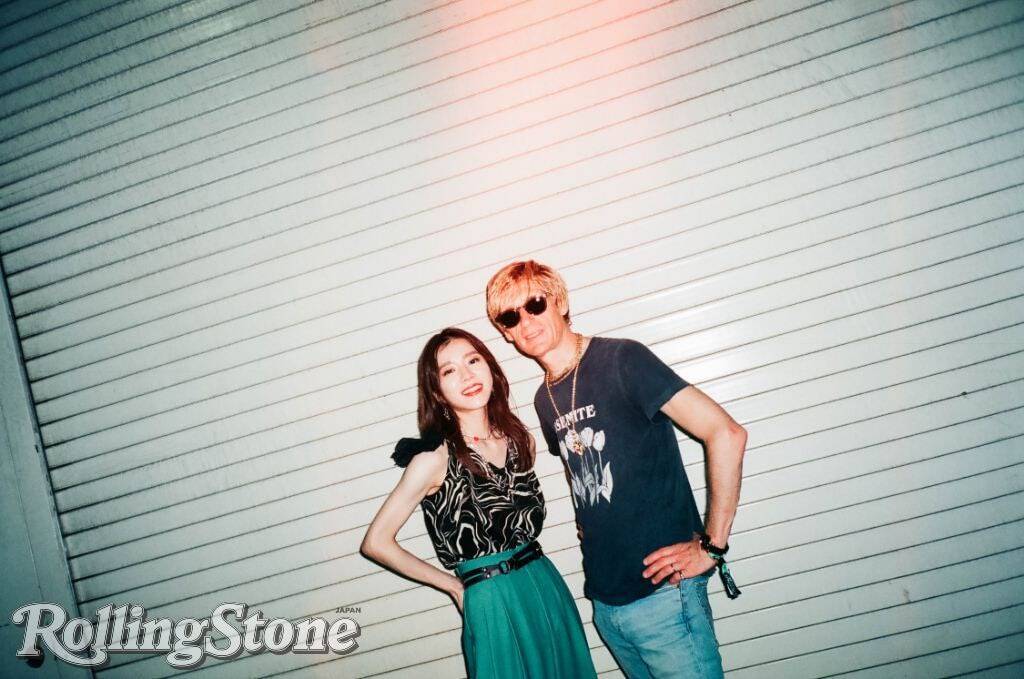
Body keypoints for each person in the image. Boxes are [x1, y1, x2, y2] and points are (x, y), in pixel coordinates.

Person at [485, 261, 748, 679]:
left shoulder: (622, 359)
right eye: (510, 317)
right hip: (607, 604)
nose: (526, 322)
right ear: (505, 332)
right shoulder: (543, 399)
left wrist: (712, 547)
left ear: (560, 302)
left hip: (665, 597)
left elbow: (726, 434)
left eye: (534, 304)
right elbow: (579, 470)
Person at [360, 327, 598, 679]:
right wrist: (453, 586)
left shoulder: (520, 441)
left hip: (544, 584)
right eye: (449, 370)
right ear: (437, 392)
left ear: (490, 368)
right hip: (491, 600)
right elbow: (376, 543)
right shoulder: (434, 459)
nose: (467, 375)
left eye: (473, 361)